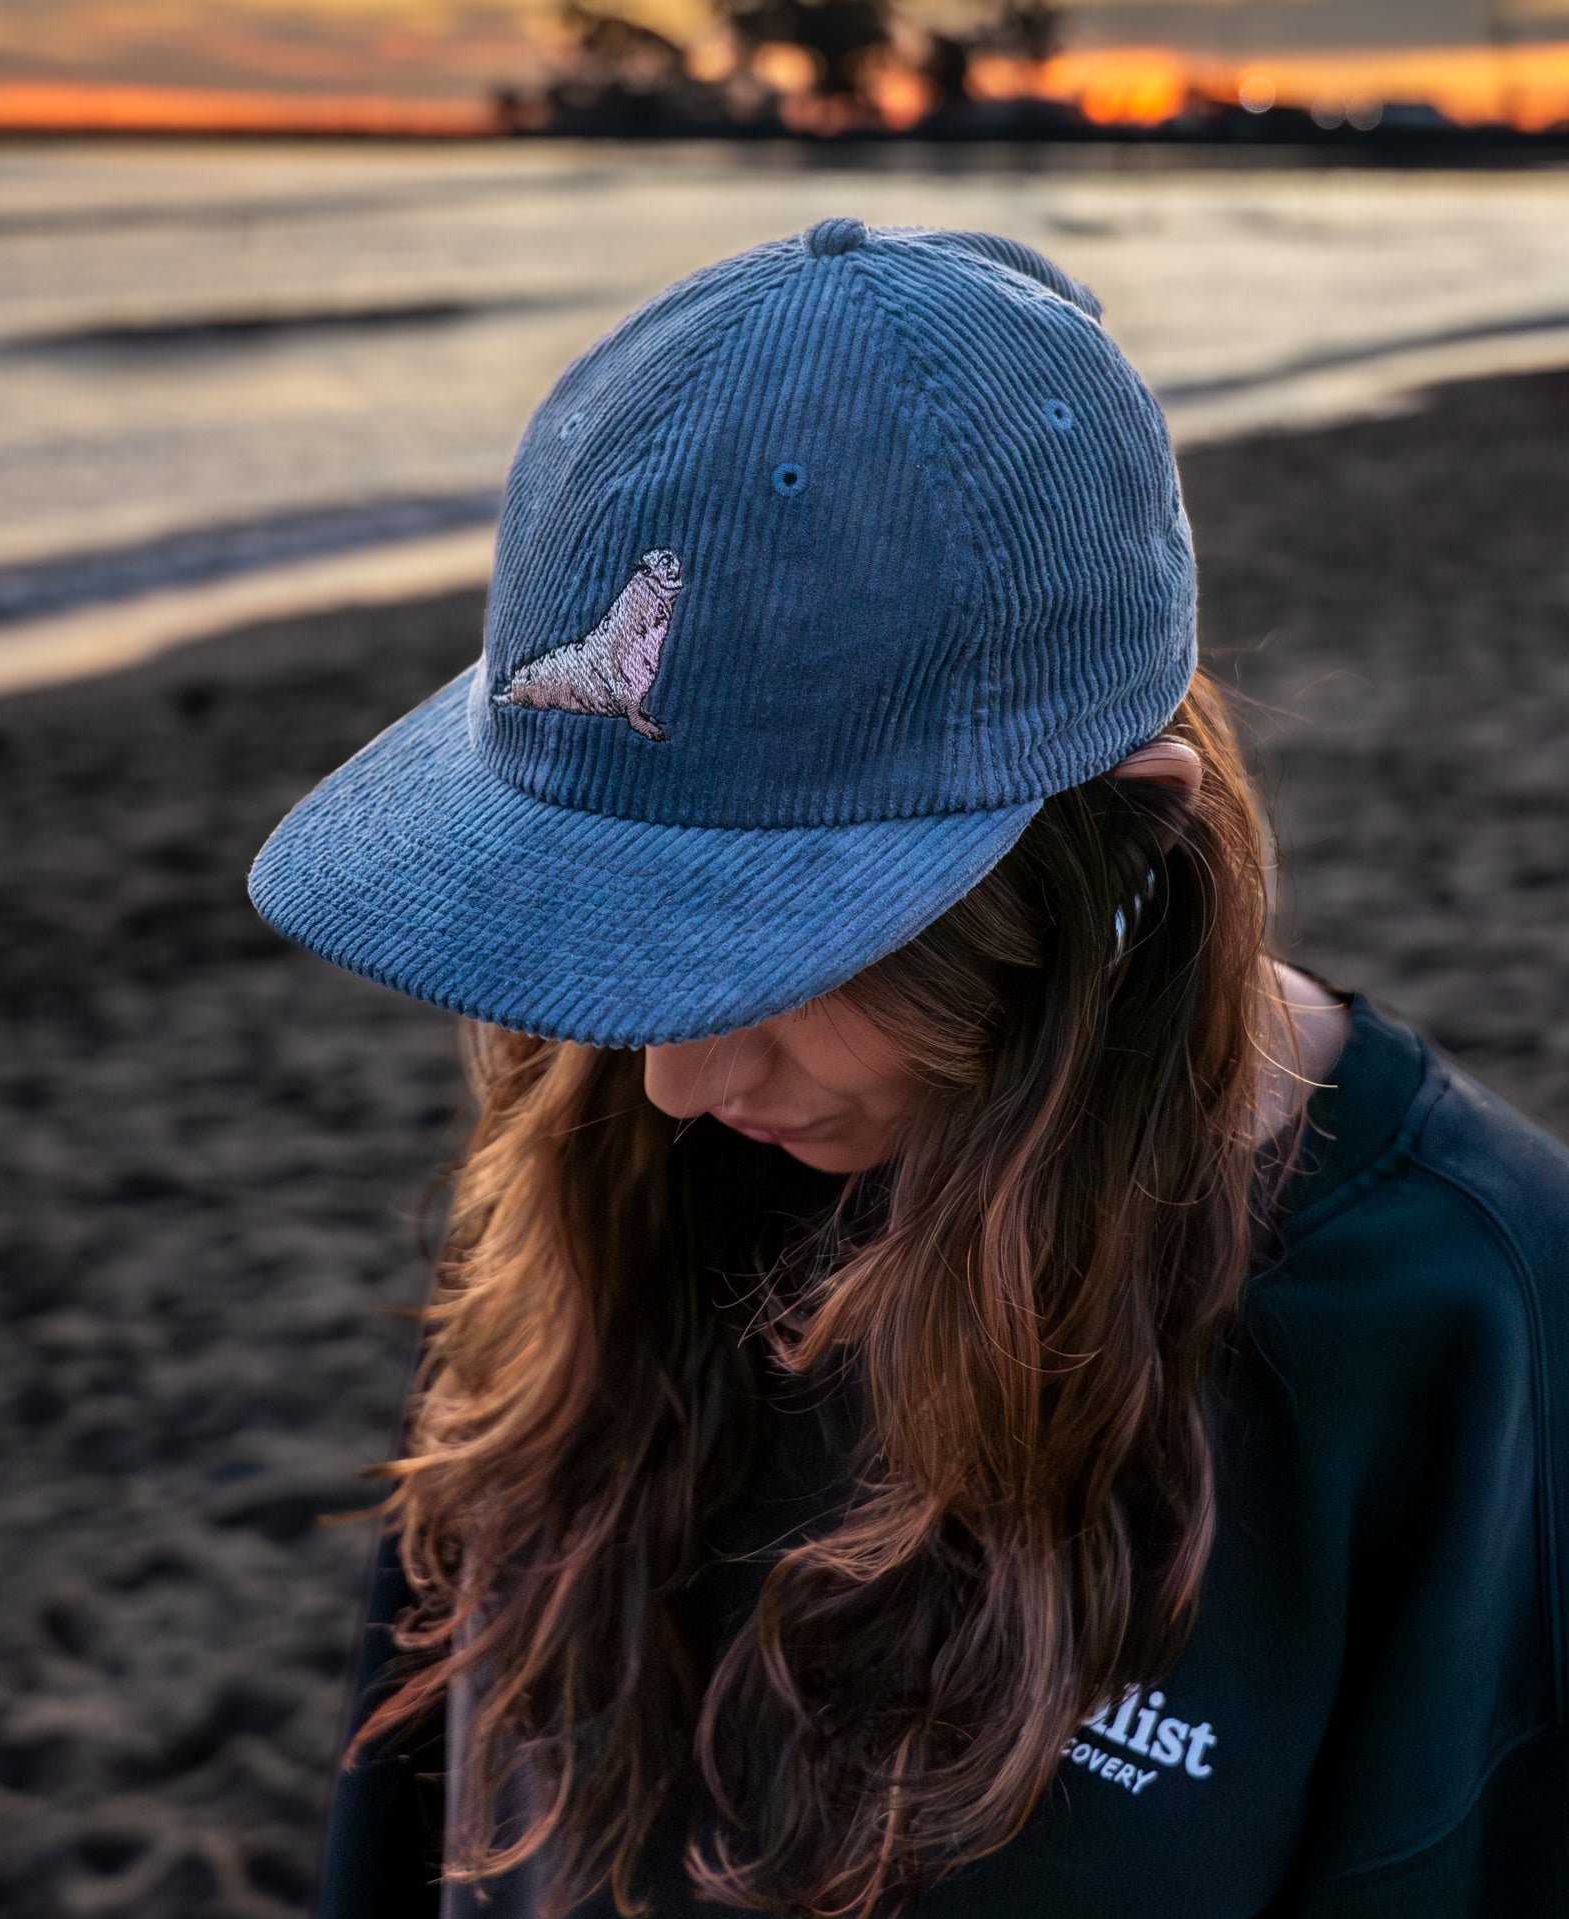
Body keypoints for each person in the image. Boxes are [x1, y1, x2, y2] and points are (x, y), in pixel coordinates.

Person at [249, 219, 1569, 1918]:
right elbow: (413, 1811)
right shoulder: (602, 1150)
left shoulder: (1470, 1335)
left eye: (778, 939)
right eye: (621, 929)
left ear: (1116, 850)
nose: (669, 1073)